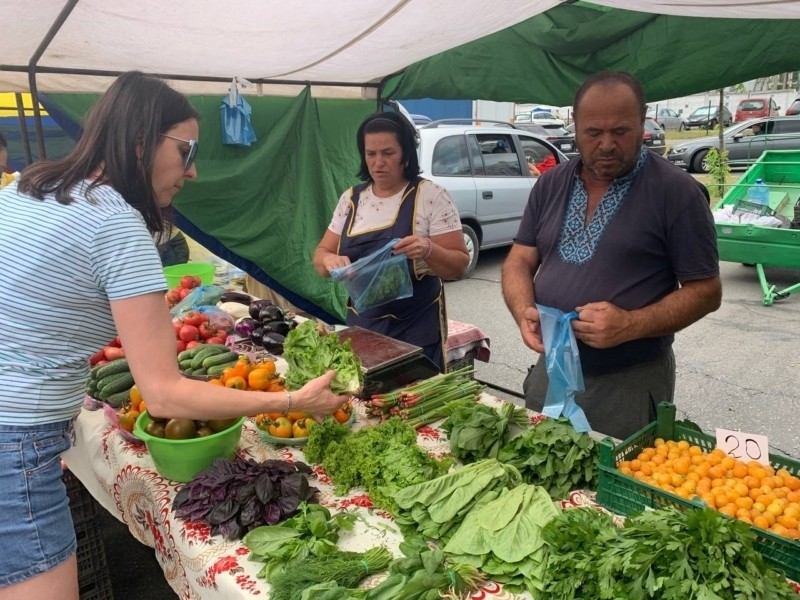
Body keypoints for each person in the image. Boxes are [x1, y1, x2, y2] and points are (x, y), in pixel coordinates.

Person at [0, 71, 347, 600]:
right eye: (185, 150)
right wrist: (295, 398)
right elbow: (162, 392)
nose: (193, 170)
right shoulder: (114, 223)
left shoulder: (30, 188)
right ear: (141, 143)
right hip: (15, 437)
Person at [501, 71, 722, 440]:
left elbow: (707, 291)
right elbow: (519, 260)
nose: (606, 145)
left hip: (629, 384)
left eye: (620, 131)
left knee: (610, 491)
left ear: (642, 120)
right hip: (552, 372)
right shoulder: (551, 184)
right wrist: (523, 312)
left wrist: (630, 324)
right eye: (593, 132)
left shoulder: (677, 193)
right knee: (534, 476)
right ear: (575, 125)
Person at [313, 112, 470, 371]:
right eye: (371, 154)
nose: (378, 163)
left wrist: (428, 248)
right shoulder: (351, 200)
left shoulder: (431, 196)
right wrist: (329, 260)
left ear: (406, 154)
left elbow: (459, 265)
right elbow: (320, 258)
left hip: (415, 331)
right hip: (362, 330)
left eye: (388, 153)